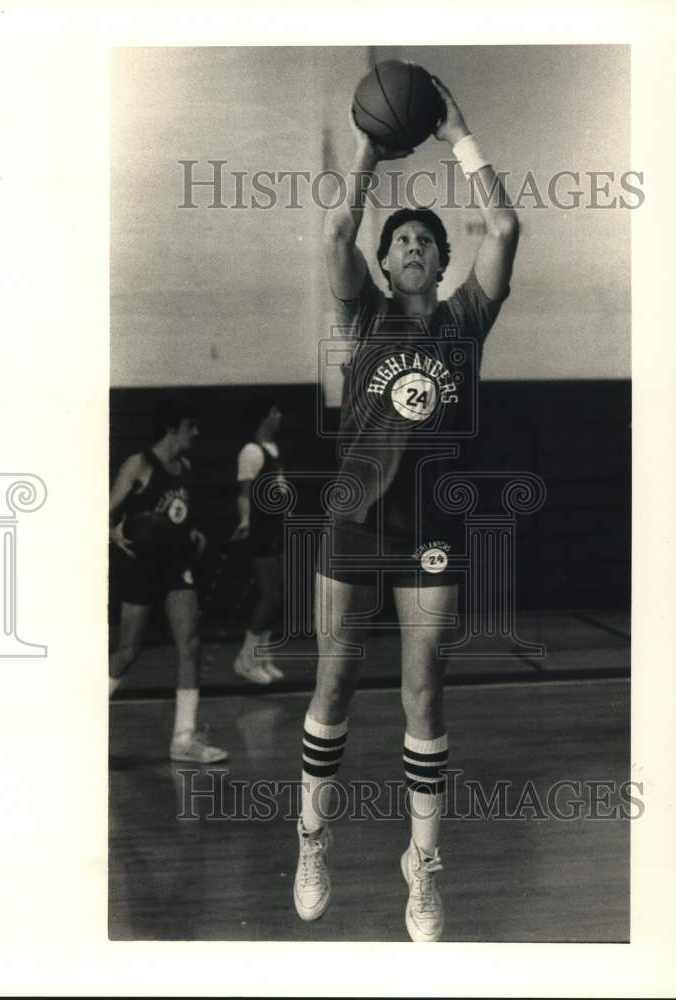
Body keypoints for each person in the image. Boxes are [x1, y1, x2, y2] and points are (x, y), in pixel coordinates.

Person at [293, 77, 519, 941]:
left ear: (439, 260)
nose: (416, 246)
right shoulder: (361, 316)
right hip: (354, 522)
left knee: (424, 697)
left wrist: (461, 133)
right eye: (404, 241)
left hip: (430, 530)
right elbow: (334, 230)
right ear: (386, 266)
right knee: (336, 679)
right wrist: (365, 153)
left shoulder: (463, 323)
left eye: (427, 239)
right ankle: (312, 834)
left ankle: (422, 867)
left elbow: (503, 226)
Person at [108, 396, 228, 764]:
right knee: (128, 650)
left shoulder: (185, 466)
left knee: (191, 642)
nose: (196, 432)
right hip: (141, 564)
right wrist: (113, 533)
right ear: (173, 428)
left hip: (175, 565)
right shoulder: (139, 464)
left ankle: (183, 738)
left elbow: (178, 516)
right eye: (191, 426)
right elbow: (105, 511)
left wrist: (192, 534)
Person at [231, 398, 287, 684]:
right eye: (276, 410)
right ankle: (245, 660)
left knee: (277, 597)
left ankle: (263, 658)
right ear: (265, 416)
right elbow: (244, 493)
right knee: (269, 596)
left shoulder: (273, 449)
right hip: (260, 530)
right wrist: (245, 521)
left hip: (276, 527)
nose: (280, 415)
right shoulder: (250, 452)